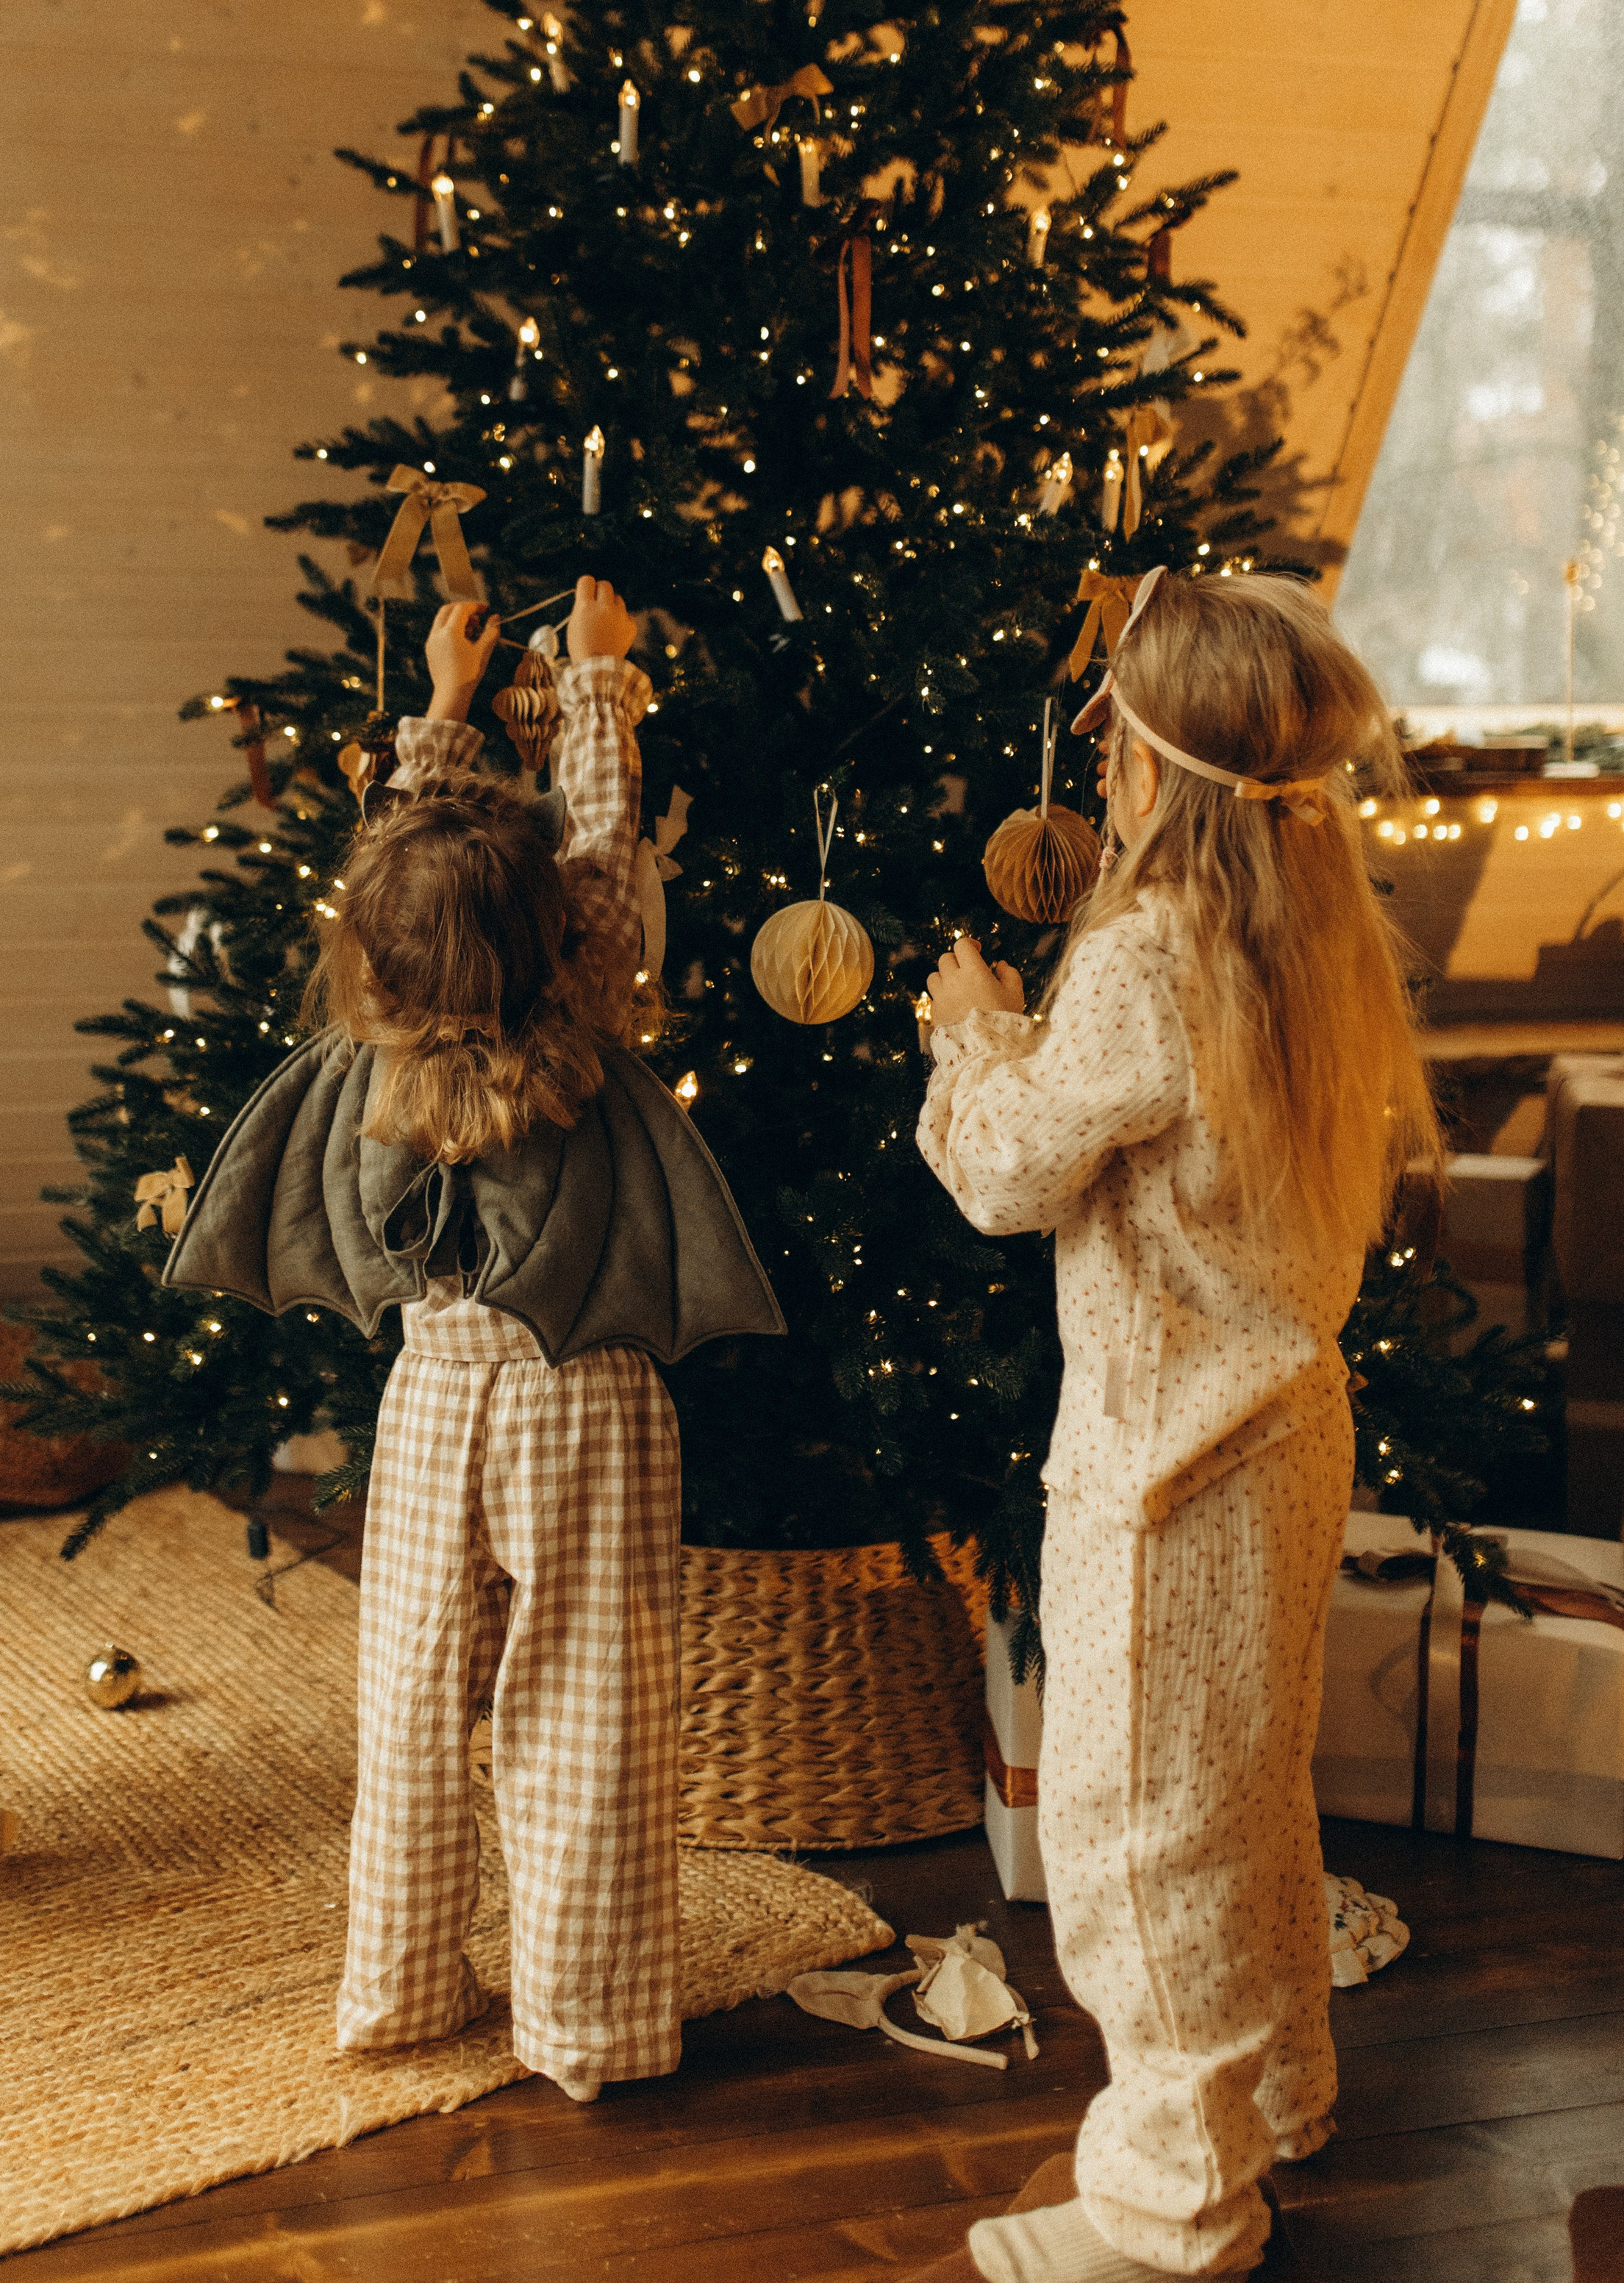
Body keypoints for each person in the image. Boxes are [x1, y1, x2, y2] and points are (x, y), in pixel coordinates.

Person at [164, 576, 783, 2101]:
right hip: (588, 1395)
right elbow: (601, 845)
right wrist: (595, 683)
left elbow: (398, 871)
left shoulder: (362, 1049)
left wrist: (443, 702)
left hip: (436, 1397)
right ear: (555, 931)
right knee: (588, 1708)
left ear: (375, 956)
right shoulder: (589, 1002)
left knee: (411, 1694)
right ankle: (589, 2021)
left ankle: (400, 1985)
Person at [909, 567, 1439, 2283]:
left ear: (1144, 767)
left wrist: (971, 1038)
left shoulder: (1146, 952)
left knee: (1132, 1827)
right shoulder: (1304, 933)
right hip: (1280, 1439)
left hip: (1163, 1469)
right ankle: (1274, 2093)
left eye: (1105, 742)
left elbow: (1007, 1171)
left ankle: (1168, 2206)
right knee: (1243, 1790)